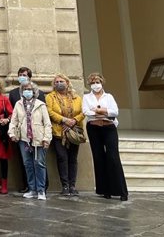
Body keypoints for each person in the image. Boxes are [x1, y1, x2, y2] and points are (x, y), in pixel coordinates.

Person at [83, 73, 128, 201]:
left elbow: (115, 111)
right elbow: (86, 112)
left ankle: (121, 191)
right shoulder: (86, 97)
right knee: (99, 157)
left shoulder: (109, 96)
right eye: (92, 82)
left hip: (109, 128)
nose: (95, 85)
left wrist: (99, 110)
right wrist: (103, 111)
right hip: (93, 128)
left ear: (102, 82)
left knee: (113, 157)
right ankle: (105, 190)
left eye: (97, 82)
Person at [9, 82, 52, 201]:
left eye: (29, 89)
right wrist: (12, 133)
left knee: (39, 163)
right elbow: (14, 120)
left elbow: (47, 123)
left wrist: (46, 138)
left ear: (34, 91)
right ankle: (32, 189)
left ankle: (41, 190)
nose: (27, 91)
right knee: (27, 164)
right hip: (24, 139)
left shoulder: (40, 105)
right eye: (25, 89)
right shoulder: (18, 104)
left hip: (39, 138)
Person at [46, 73, 84, 196]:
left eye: (61, 81)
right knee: (62, 158)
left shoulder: (76, 97)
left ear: (67, 83)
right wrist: (63, 120)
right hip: (58, 132)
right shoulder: (50, 97)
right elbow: (49, 111)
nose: (59, 84)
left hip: (74, 132)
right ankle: (65, 186)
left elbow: (84, 111)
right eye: (56, 82)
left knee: (73, 159)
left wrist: (74, 120)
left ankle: (73, 185)